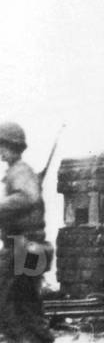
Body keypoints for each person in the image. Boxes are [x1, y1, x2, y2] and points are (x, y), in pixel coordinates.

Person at [0, 121, 54, 343]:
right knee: (27, 304)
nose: (0, 152)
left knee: (11, 303)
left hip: (23, 247)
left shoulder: (20, 171)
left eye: (3, 146)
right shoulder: (21, 171)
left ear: (12, 146)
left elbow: (27, 197)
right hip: (31, 246)